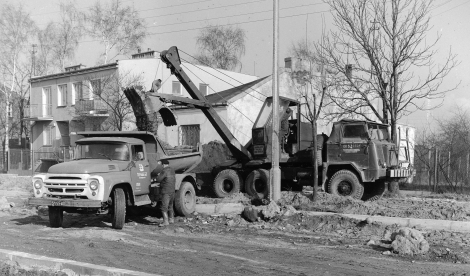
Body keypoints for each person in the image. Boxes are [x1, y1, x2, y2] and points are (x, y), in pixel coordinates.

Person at [153, 159, 175, 226]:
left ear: (163, 164)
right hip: (172, 191)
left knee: (163, 207)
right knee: (170, 206)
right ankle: (171, 219)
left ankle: (165, 222)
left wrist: (158, 175)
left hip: (165, 191)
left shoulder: (164, 170)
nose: (161, 166)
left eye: (162, 164)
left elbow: (158, 179)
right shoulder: (172, 170)